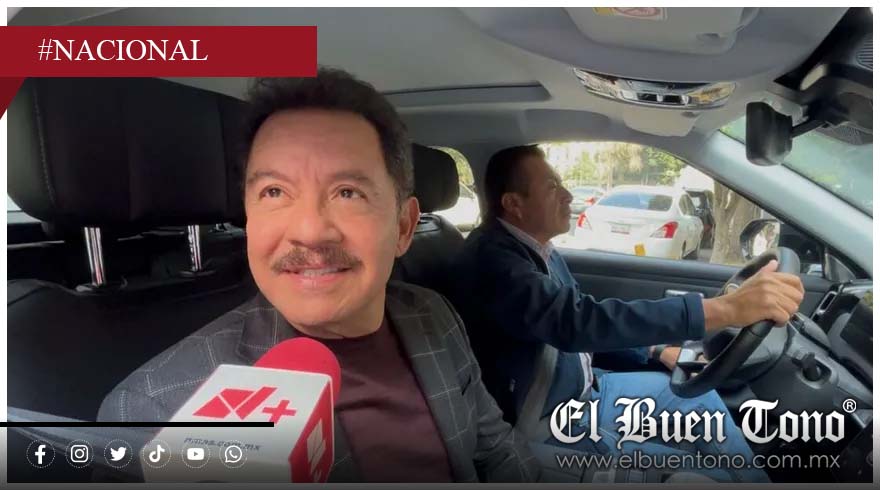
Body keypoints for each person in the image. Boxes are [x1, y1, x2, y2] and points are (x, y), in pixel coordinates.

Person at [98, 70, 539, 483]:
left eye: (348, 192)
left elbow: (497, 450)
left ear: (404, 227)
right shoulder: (152, 413)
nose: (309, 231)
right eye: (274, 191)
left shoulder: (432, 313)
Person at [449, 145, 805, 482]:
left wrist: (653, 351)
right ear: (514, 204)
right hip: (547, 419)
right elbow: (576, 322)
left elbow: (582, 320)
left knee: (698, 398)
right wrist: (725, 309)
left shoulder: (538, 248)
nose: (568, 195)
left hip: (587, 388)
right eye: (552, 187)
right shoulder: (494, 261)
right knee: (697, 474)